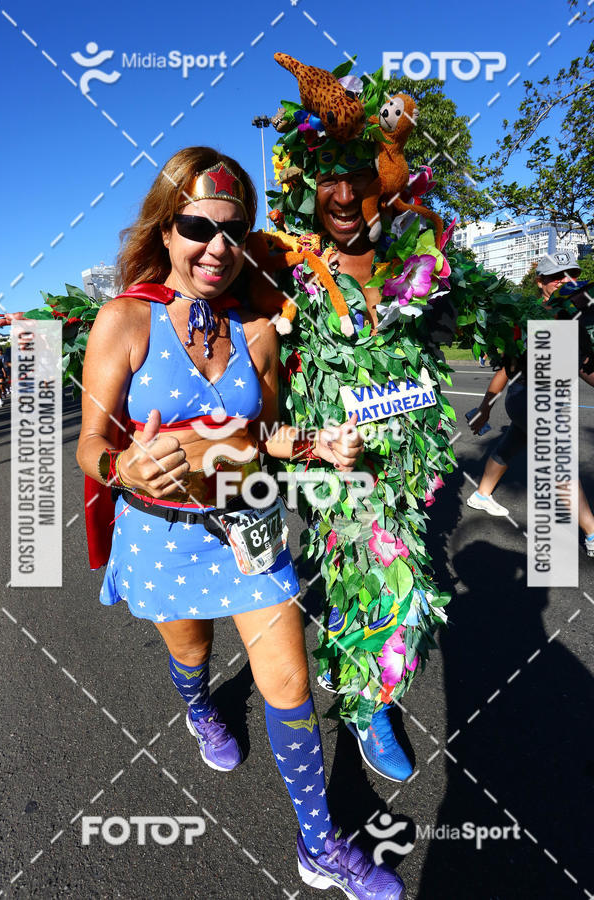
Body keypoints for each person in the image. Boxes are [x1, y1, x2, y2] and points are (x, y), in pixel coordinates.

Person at [76, 145, 406, 899]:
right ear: (166, 229)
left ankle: (319, 845)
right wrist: (119, 467)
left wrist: (318, 446)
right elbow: (92, 443)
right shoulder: (124, 320)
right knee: (192, 658)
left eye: (234, 229)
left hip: (249, 521)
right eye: (198, 225)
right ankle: (198, 709)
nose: (217, 246)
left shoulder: (256, 328)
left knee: (288, 684)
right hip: (162, 534)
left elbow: (260, 437)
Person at [266, 63, 459, 785]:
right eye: (328, 180)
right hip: (337, 469)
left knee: (384, 577)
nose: (343, 194)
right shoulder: (286, 267)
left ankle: (360, 685)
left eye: (356, 174)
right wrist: (293, 447)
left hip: (408, 462)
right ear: (308, 189)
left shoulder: (419, 252)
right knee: (378, 580)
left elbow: (446, 336)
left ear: (379, 177)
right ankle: (366, 703)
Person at [467, 250, 594, 556]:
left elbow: (583, 364)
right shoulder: (529, 317)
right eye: (557, 277)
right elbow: (506, 368)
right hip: (528, 397)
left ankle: (482, 494)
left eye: (572, 274)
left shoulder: (572, 315)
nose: (567, 281)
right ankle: (591, 534)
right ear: (540, 282)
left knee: (512, 442)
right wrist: (485, 408)